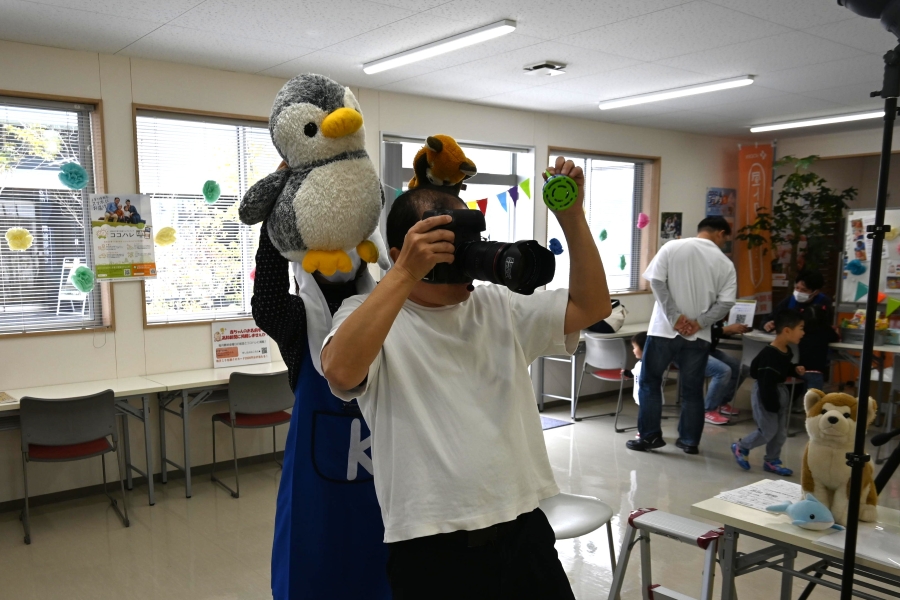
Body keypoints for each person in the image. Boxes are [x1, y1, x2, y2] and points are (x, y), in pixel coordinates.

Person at [321, 156, 611, 599]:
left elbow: (592, 307)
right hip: (432, 548)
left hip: (524, 529)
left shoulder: (498, 305)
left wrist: (572, 218)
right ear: (401, 253)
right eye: (444, 246)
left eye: (467, 243)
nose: (463, 258)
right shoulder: (367, 314)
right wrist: (404, 274)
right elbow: (341, 371)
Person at [251, 163, 391, 599]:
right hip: (316, 499)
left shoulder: (388, 315)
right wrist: (278, 214)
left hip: (385, 487)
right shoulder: (299, 321)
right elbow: (267, 300)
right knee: (310, 573)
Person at [627, 216, 737, 455]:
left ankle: (650, 436)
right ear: (720, 233)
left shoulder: (672, 247)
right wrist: (699, 323)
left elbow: (656, 282)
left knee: (650, 382)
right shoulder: (725, 264)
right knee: (692, 390)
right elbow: (726, 302)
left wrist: (675, 317)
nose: (724, 242)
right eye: (726, 238)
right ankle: (689, 441)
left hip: (663, 331)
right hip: (698, 337)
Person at [732, 309, 806, 475]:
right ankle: (741, 446)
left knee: (780, 433)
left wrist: (794, 370)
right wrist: (771, 404)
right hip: (766, 395)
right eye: (801, 328)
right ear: (787, 330)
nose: (803, 333)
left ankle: (772, 460)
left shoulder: (786, 350)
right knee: (768, 430)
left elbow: (783, 369)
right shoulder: (770, 355)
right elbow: (765, 381)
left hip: (779, 392)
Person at [763, 270, 838, 396]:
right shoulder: (790, 301)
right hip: (790, 359)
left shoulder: (823, 304)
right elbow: (770, 318)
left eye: (804, 290)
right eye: (796, 288)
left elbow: (823, 329)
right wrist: (767, 324)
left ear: (815, 292)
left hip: (809, 359)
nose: (798, 292)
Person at [703, 320, 751, 425]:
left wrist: (729, 331)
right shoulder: (702, 312)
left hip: (710, 350)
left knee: (739, 368)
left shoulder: (718, 316)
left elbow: (715, 333)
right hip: (693, 351)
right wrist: (726, 329)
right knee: (723, 370)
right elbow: (700, 332)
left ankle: (721, 402)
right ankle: (708, 410)